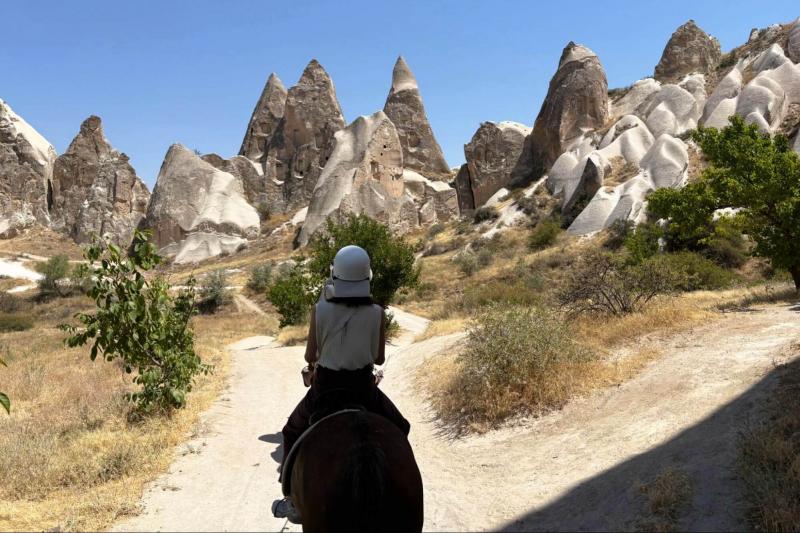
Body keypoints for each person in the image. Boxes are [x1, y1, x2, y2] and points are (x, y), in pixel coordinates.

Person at [272, 245, 411, 523]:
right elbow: (379, 357)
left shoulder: (319, 310)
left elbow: (310, 356)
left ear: (336, 275)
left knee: (290, 431)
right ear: (366, 278)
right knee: (402, 426)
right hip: (363, 388)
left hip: (326, 389)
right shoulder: (376, 312)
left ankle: (292, 500)